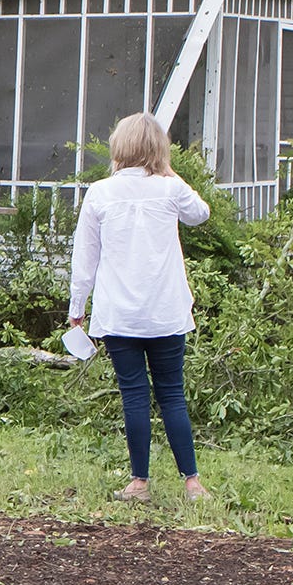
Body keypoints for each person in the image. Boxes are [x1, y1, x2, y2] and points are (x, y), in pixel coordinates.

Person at [69, 113, 212, 504]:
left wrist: (77, 308)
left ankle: (139, 483)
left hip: (119, 314)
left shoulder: (100, 193)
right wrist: (170, 173)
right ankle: (192, 483)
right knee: (172, 394)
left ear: (119, 147)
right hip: (165, 310)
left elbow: (86, 257)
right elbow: (201, 214)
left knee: (134, 394)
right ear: (159, 149)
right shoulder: (170, 189)